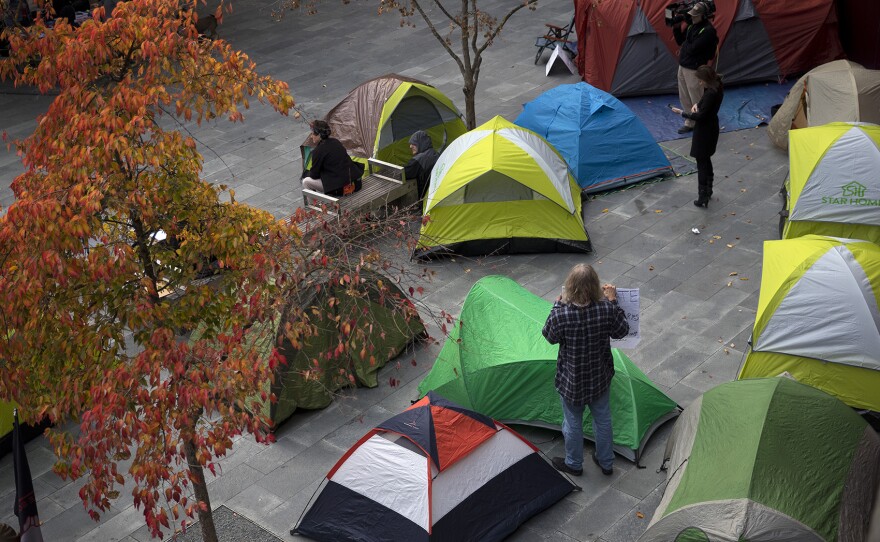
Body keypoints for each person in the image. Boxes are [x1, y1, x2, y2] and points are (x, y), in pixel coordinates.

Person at [542, 264, 629, 477]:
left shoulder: (561, 315)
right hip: (600, 377)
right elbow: (622, 331)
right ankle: (606, 462)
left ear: (570, 287)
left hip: (571, 380)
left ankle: (574, 463)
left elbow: (549, 336)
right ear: (595, 285)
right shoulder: (606, 309)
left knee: (572, 422)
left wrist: (556, 305)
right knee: (603, 419)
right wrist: (613, 300)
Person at [671, 65, 724, 208]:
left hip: (704, 130)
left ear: (706, 79)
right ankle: (708, 190)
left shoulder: (711, 93)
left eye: (701, 80)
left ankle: (702, 195)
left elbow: (701, 116)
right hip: (711, 126)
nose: (700, 83)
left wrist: (683, 113)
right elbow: (704, 103)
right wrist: (697, 104)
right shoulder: (717, 86)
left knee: (701, 161)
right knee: (706, 158)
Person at [672, 1, 717, 134]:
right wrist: (676, 27)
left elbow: (692, 49)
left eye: (695, 15)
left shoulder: (708, 31)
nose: (691, 17)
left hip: (694, 68)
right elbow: (681, 41)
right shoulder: (692, 26)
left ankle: (701, 123)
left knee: (696, 97)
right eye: (691, 15)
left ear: (703, 16)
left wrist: (685, 46)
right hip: (683, 65)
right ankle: (690, 122)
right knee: (684, 96)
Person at [301, 120, 364, 197]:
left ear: (319, 135)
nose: (311, 136)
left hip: (341, 188)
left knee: (306, 181)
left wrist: (308, 173)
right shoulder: (335, 142)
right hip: (355, 183)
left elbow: (314, 175)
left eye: (313, 134)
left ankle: (314, 206)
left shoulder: (318, 151)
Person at [403, 130, 439, 201]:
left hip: (424, 198)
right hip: (434, 195)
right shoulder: (435, 154)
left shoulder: (420, 159)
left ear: (421, 143)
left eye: (414, 143)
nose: (410, 146)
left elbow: (404, 173)